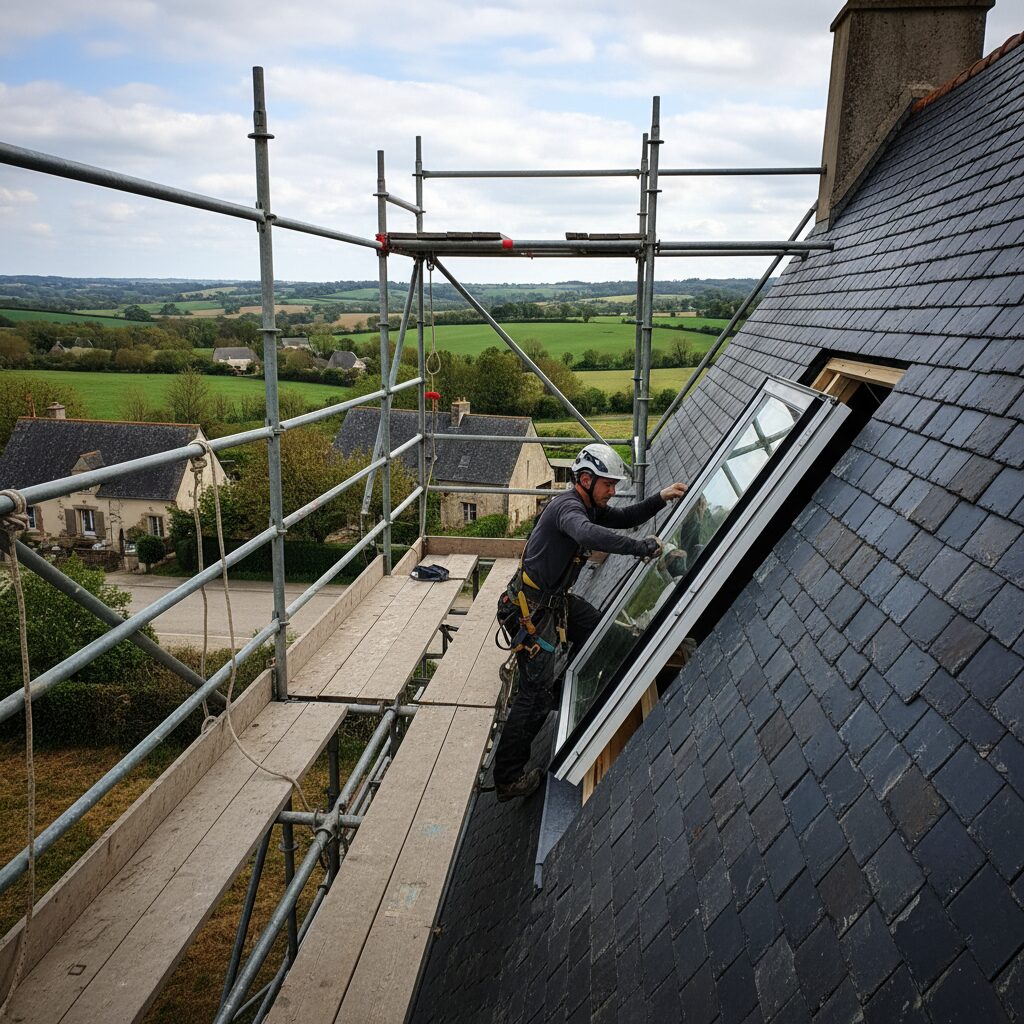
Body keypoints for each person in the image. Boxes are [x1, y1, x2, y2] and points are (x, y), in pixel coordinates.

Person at [493, 442, 688, 801]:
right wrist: (638, 548)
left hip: (552, 603)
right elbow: (586, 535)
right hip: (531, 610)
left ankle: (567, 690)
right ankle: (507, 779)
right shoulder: (568, 508)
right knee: (532, 697)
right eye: (608, 485)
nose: (612, 492)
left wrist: (661, 497)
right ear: (585, 479)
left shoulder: (590, 506)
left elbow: (627, 518)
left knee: (598, 632)